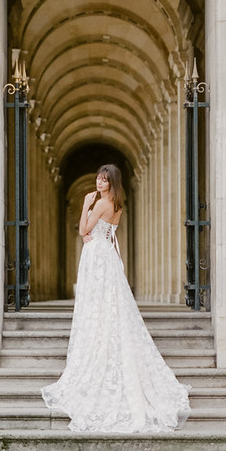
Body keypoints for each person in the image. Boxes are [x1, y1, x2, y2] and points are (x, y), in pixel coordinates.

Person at [41, 164, 191, 433]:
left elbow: (83, 230)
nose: (99, 182)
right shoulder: (117, 205)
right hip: (106, 255)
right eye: (98, 178)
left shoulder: (100, 204)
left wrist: (85, 206)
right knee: (108, 303)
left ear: (112, 183)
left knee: (96, 304)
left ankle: (98, 345)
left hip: (97, 255)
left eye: (104, 179)